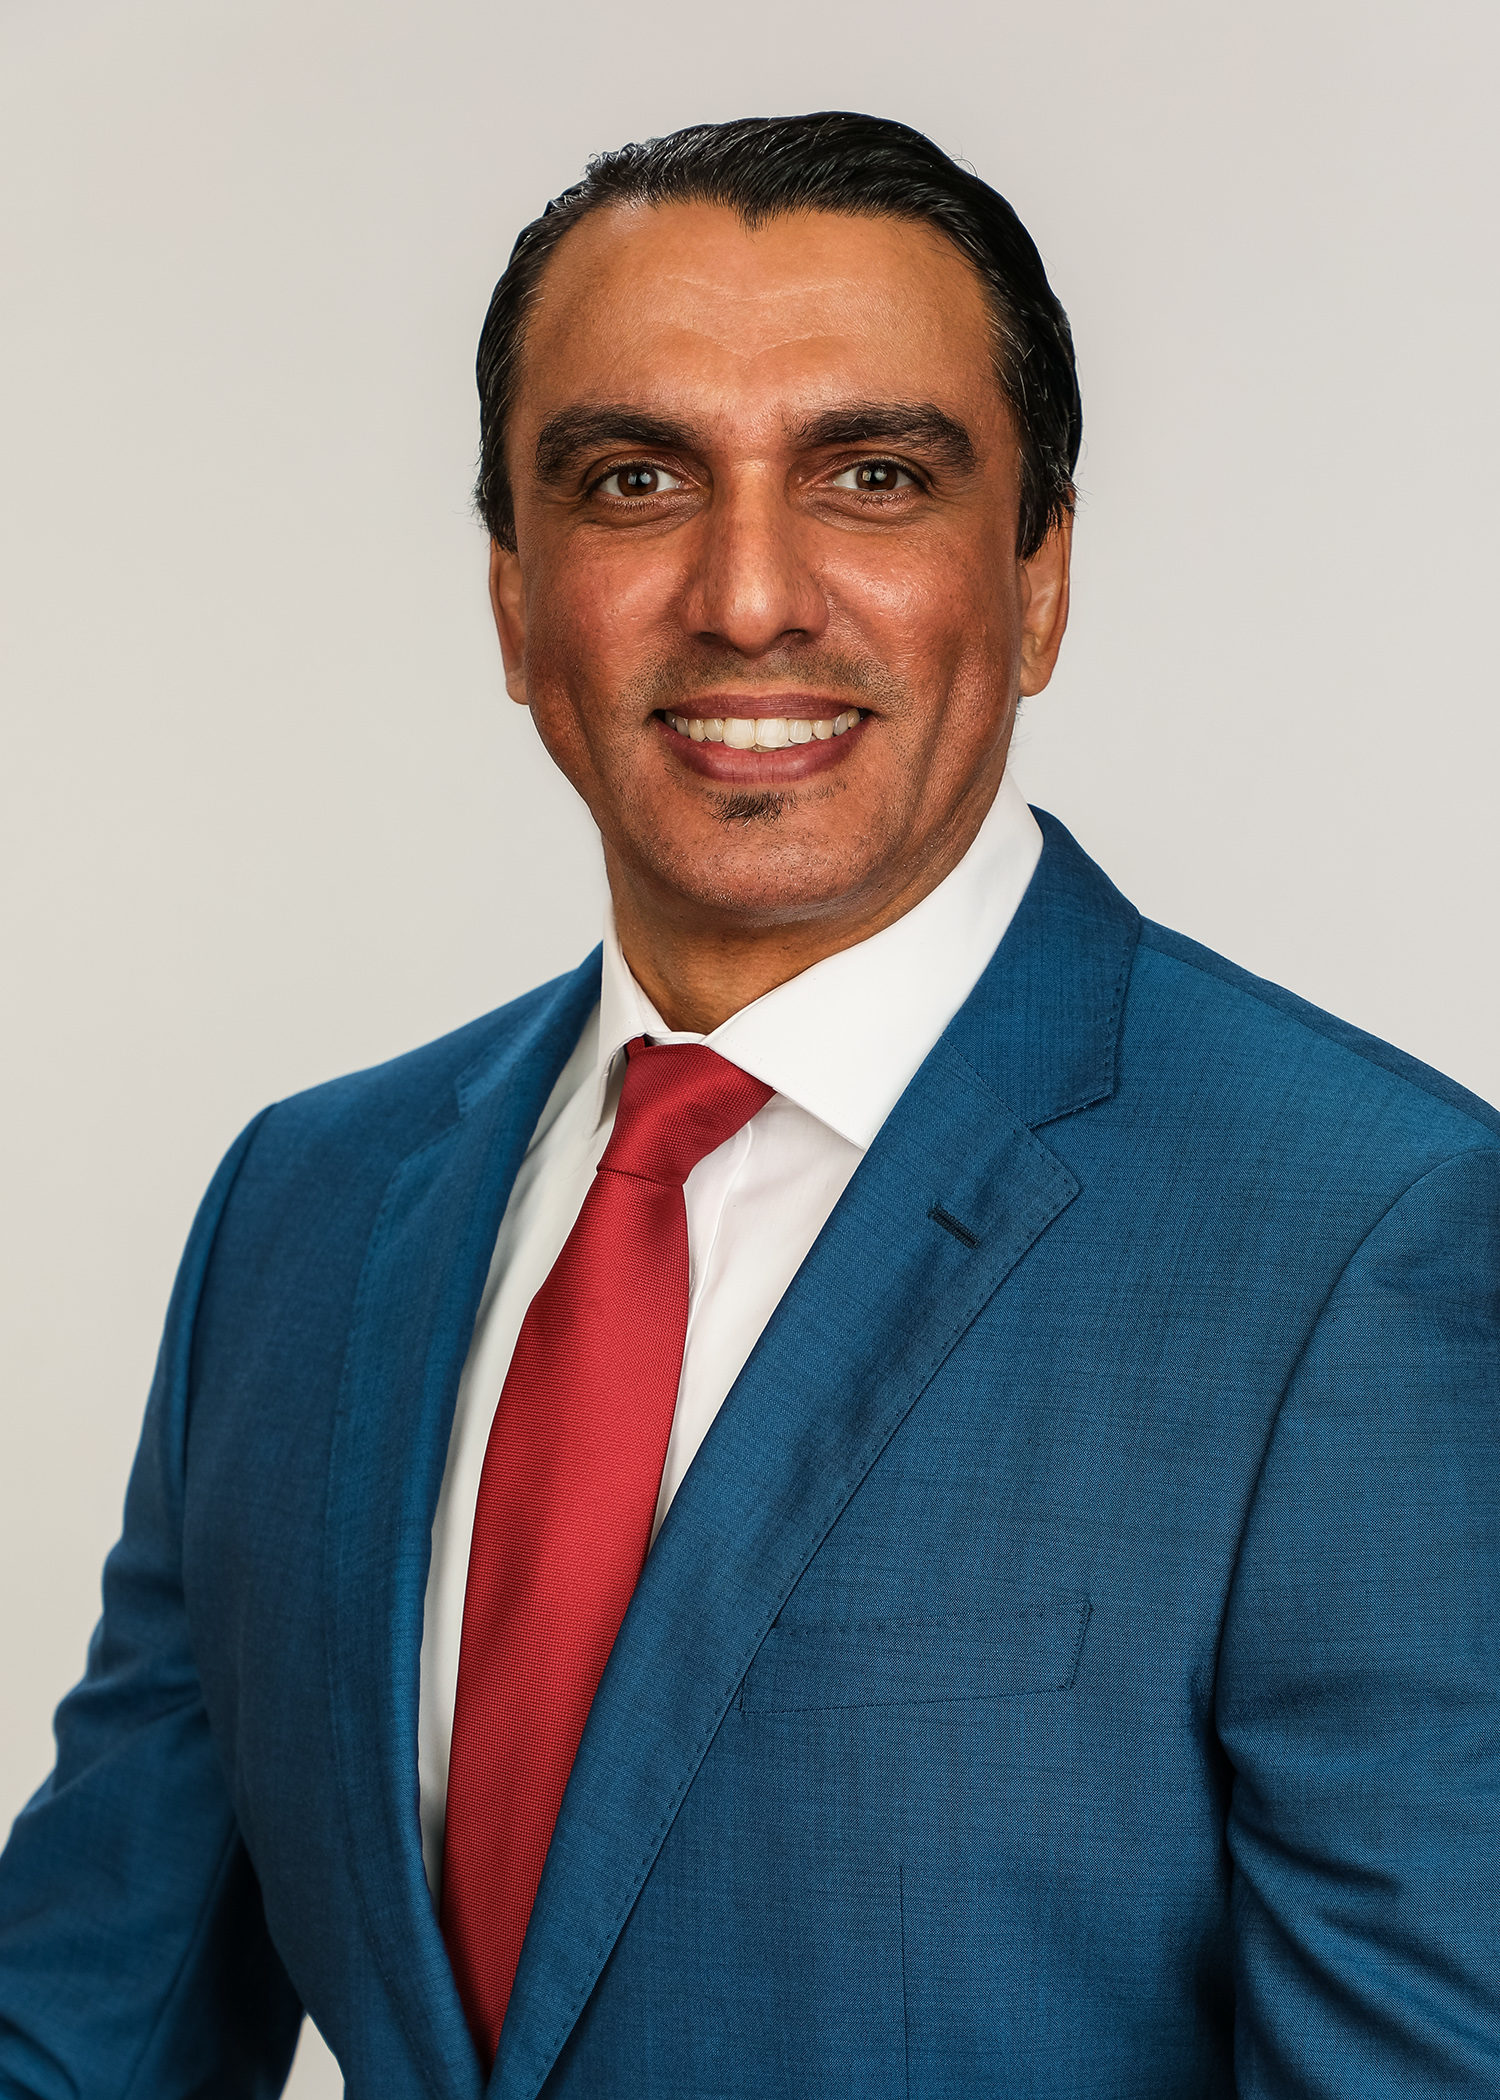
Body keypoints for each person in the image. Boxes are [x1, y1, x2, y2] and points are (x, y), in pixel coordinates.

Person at [1, 109, 1497, 2100]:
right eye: (636, 481)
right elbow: (84, 2031)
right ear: (515, 594)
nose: (750, 596)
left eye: (874, 477)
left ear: (1041, 578)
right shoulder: (304, 1210)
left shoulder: (1365, 1244)